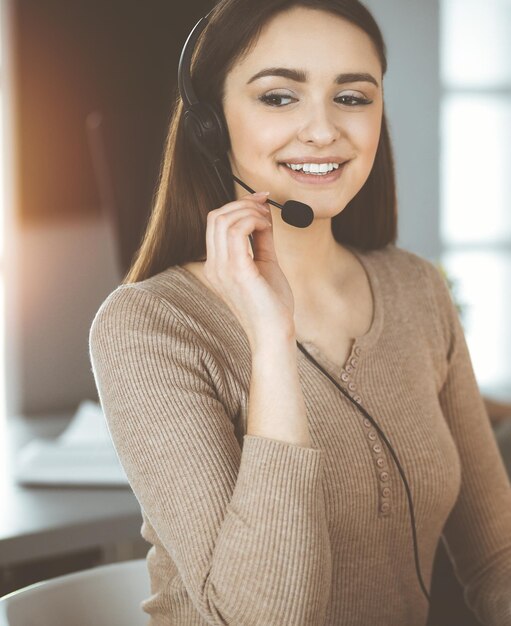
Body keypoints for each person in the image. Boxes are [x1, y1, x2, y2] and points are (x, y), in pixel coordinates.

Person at [88, 1, 511, 625]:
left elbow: (497, 556)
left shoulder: (418, 290)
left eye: (353, 97)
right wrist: (270, 335)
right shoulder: (149, 327)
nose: (322, 131)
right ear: (211, 124)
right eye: (280, 97)